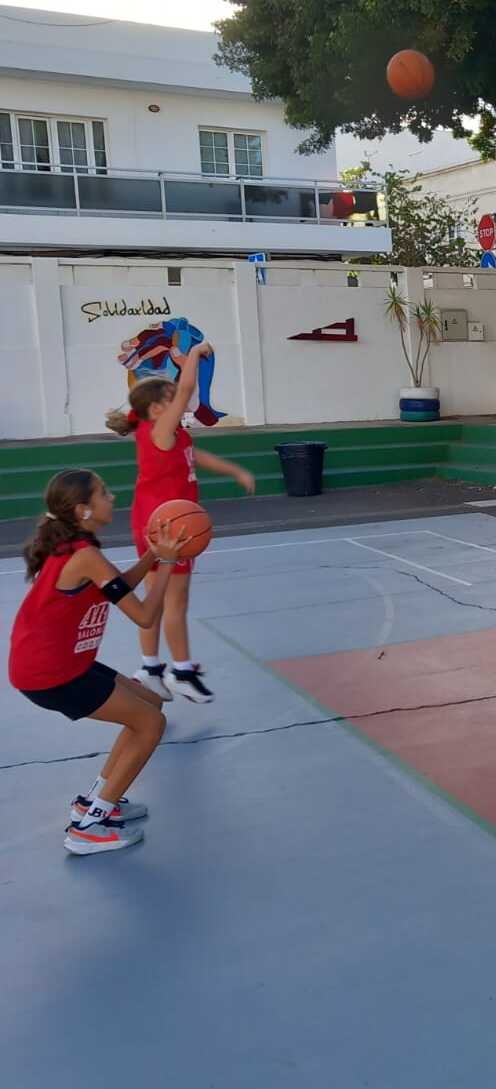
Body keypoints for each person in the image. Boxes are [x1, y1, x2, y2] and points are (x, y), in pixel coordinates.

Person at [8, 469, 188, 855]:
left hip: (63, 662)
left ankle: (94, 801)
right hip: (50, 674)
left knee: (149, 703)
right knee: (151, 724)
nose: (113, 497)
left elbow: (116, 586)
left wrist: (152, 556)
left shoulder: (79, 550)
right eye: (104, 493)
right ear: (83, 510)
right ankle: (88, 828)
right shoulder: (84, 555)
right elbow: (143, 616)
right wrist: (168, 565)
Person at [106, 343, 254, 703]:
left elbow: (196, 456)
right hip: (167, 526)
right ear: (158, 409)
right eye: (172, 398)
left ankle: (150, 668)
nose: (181, 400)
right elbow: (187, 388)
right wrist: (195, 354)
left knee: (157, 599)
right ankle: (182, 671)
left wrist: (233, 469)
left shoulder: (168, 434)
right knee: (176, 601)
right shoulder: (159, 431)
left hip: (157, 522)